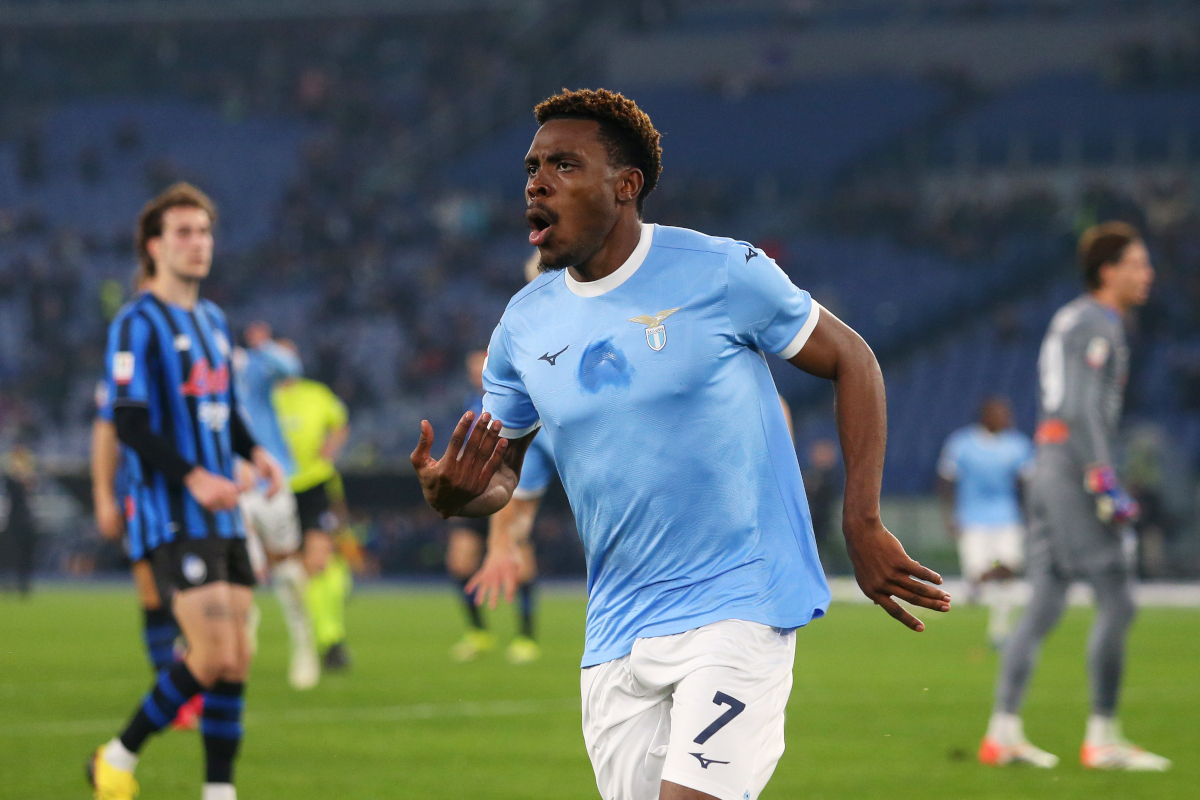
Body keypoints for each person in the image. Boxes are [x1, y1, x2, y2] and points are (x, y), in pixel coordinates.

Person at [413, 88, 950, 800]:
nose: (537, 183)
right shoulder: (523, 326)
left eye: (565, 165)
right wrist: (455, 496)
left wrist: (862, 519)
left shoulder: (722, 272)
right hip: (616, 634)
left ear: (626, 186)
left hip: (738, 603)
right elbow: (504, 474)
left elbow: (853, 359)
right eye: (532, 167)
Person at [88, 183, 285, 800]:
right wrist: (195, 476)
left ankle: (218, 791)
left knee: (237, 660)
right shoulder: (136, 321)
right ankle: (116, 755)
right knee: (208, 654)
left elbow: (223, 407)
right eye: (183, 232)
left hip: (223, 514)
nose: (198, 244)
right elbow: (128, 419)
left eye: (204, 232)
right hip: (171, 511)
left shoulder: (212, 320)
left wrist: (255, 453)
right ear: (154, 246)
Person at [979, 221, 1170, 771]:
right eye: (1137, 264)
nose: (1147, 274)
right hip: (1072, 466)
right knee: (1118, 596)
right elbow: (1080, 406)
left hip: (1048, 464)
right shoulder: (1097, 321)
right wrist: (1103, 476)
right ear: (1108, 271)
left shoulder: (1072, 317)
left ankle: (1004, 731)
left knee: (1045, 600)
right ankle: (1104, 735)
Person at [93, 374, 203, 730]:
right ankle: (169, 688)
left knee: (191, 591)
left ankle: (193, 674)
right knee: (153, 593)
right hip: (141, 496)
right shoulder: (127, 373)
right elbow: (106, 431)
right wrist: (103, 496)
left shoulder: (193, 359)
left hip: (193, 492)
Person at [232, 321, 319, 689]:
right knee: (238, 566)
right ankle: (239, 641)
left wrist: (263, 345)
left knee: (284, 565)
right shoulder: (199, 378)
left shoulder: (254, 367)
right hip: (228, 486)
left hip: (270, 480)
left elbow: (291, 369)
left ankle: (304, 644)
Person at [936, 396, 1034, 648]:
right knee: (978, 574)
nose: (1006, 418)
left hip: (1007, 517)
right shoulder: (962, 443)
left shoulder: (1018, 445)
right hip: (972, 519)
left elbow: (1027, 484)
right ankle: (978, 582)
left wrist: (1031, 515)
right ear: (985, 416)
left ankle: (1000, 631)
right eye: (1000, 413)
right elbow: (946, 481)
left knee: (1009, 570)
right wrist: (949, 517)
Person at [273, 371, 352, 670]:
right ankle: (313, 636)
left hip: (315, 484)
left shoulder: (316, 393)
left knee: (319, 560)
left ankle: (331, 639)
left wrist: (331, 447)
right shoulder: (260, 396)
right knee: (295, 569)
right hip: (276, 488)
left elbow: (340, 423)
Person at [445, 349, 506, 661]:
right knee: (459, 562)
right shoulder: (471, 404)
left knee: (518, 561)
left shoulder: (512, 400)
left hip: (504, 493)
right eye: (471, 369)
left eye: (480, 367)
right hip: (472, 493)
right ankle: (478, 632)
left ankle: (526, 636)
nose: (476, 374)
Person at [2, 446, 38, 596]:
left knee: (25, 554)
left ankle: (23, 584)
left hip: (25, 520)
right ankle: (7, 582)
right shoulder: (9, 480)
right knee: (9, 554)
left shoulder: (28, 479)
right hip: (12, 521)